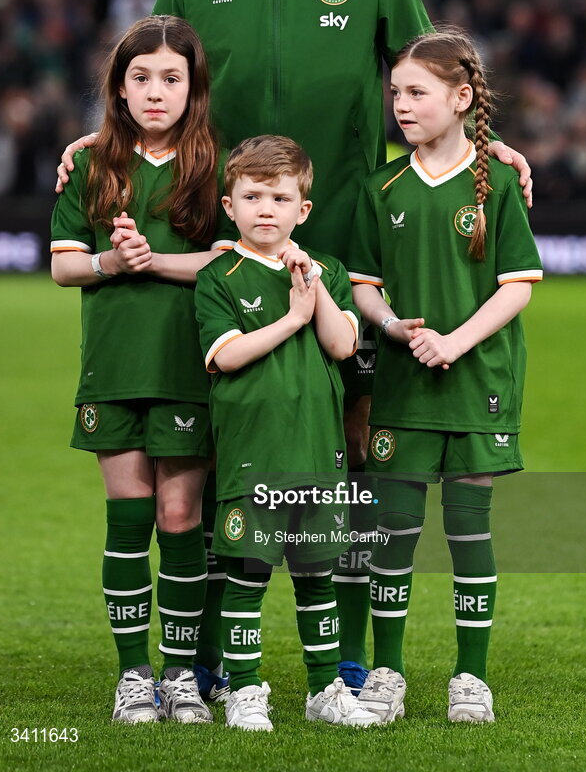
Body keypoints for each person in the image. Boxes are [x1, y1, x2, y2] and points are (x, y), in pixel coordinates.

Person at [55, 0, 534, 689]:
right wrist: (101, 132)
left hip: (346, 254)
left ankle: (349, 662)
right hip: (218, 258)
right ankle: (198, 663)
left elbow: (429, 79)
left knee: (349, 462)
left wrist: (486, 142)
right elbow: (152, 75)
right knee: (203, 459)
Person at [347, 29, 542, 724]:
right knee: (392, 536)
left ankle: (470, 678)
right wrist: (394, 327)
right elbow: (363, 285)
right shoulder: (384, 186)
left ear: (461, 99)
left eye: (417, 93)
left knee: (468, 533)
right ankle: (387, 672)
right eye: (395, 92)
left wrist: (454, 342)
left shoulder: (494, 183)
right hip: (402, 384)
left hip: (477, 379)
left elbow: (517, 284)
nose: (401, 105)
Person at [50, 15, 228, 724]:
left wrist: (151, 262)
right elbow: (64, 266)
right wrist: (109, 262)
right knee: (127, 519)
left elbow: (231, 257)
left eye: (171, 79)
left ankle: (182, 675)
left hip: (189, 366)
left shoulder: (214, 163)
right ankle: (134, 676)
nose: (156, 92)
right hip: (114, 369)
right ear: (119, 90)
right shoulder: (93, 164)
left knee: (180, 514)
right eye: (141, 78)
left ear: (194, 88)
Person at [194, 135, 380, 729]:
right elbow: (226, 356)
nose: (265, 208)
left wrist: (314, 287)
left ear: (303, 209)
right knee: (246, 575)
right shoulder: (218, 276)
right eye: (252, 196)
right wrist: (291, 317)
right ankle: (245, 690)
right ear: (230, 206)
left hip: (318, 458)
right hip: (254, 458)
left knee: (316, 578)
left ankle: (325, 691)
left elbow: (343, 344)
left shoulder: (326, 271)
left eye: (280, 197)